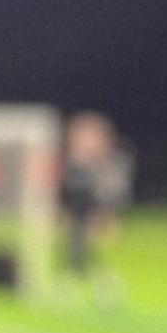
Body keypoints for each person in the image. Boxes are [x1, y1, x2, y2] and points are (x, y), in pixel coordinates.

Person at [58, 111, 129, 302]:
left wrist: (105, 214)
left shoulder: (104, 163)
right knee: (77, 249)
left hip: (92, 212)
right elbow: (67, 192)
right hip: (76, 212)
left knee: (89, 250)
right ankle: (78, 284)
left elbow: (108, 192)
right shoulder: (72, 161)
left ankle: (104, 285)